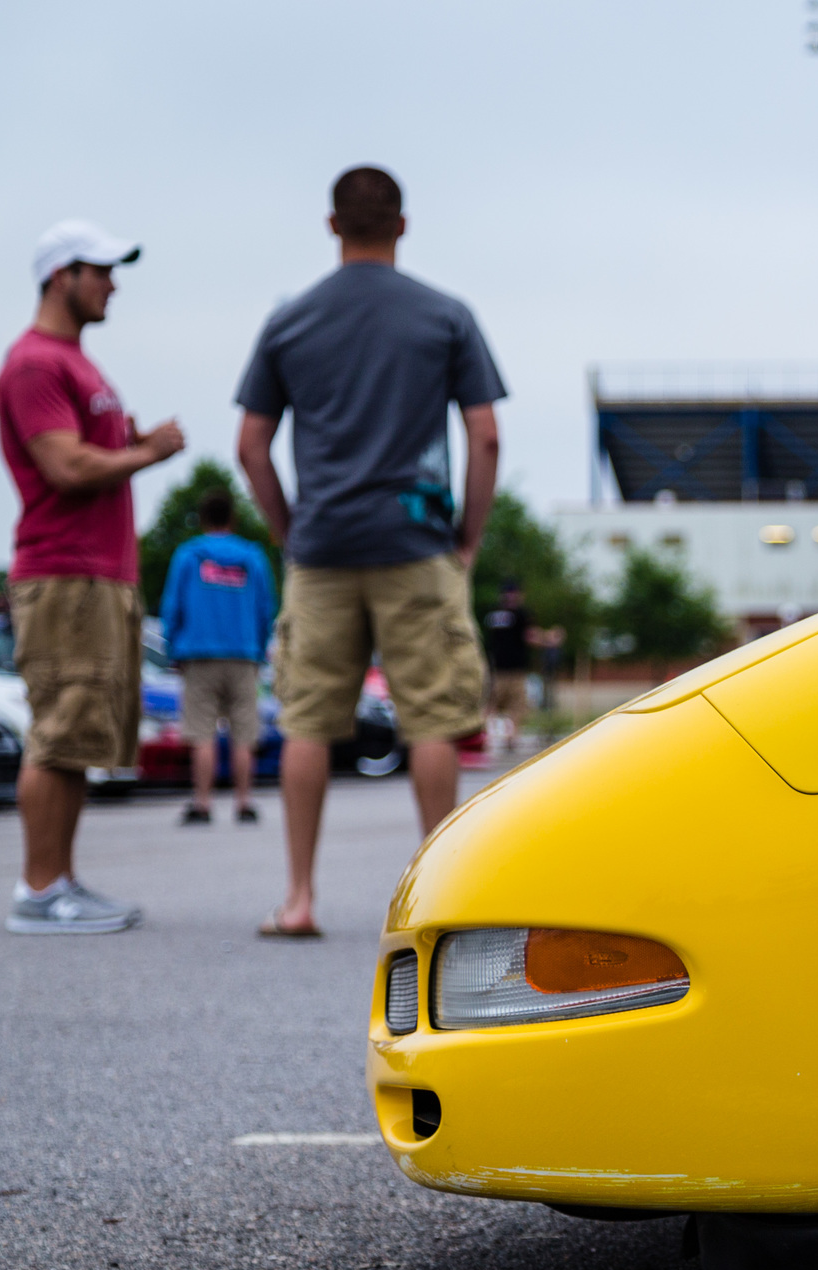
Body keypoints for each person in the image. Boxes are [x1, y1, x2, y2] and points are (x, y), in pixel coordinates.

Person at [236, 166, 503, 940]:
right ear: (402, 225)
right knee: (431, 721)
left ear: (331, 225)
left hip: (322, 547)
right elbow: (485, 434)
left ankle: (298, 897)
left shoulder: (289, 322)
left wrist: (290, 532)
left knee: (308, 722)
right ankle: (440, 902)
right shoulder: (445, 315)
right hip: (416, 542)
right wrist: (469, 536)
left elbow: (251, 445)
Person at [0, 219, 186, 933]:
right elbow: (65, 466)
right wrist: (150, 454)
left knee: (79, 739)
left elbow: (86, 450)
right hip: (64, 573)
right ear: (61, 276)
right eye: (100, 271)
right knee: (59, 732)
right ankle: (39, 891)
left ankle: (62, 883)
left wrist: (127, 441)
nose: (112, 285)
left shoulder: (75, 362)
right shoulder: (34, 363)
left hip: (97, 576)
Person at [159, 488, 275, 825]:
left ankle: (203, 803)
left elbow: (172, 606)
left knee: (201, 732)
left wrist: (173, 648)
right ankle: (244, 802)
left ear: (202, 519)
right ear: (232, 518)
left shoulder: (189, 555)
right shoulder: (253, 556)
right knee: (245, 733)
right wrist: (259, 647)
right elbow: (266, 607)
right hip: (244, 655)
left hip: (198, 655)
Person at [481, 579, 532, 754]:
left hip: (497, 667)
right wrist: (549, 639)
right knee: (515, 705)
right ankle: (510, 737)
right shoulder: (521, 613)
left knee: (492, 704)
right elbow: (529, 636)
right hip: (513, 668)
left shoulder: (493, 613)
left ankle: (485, 735)